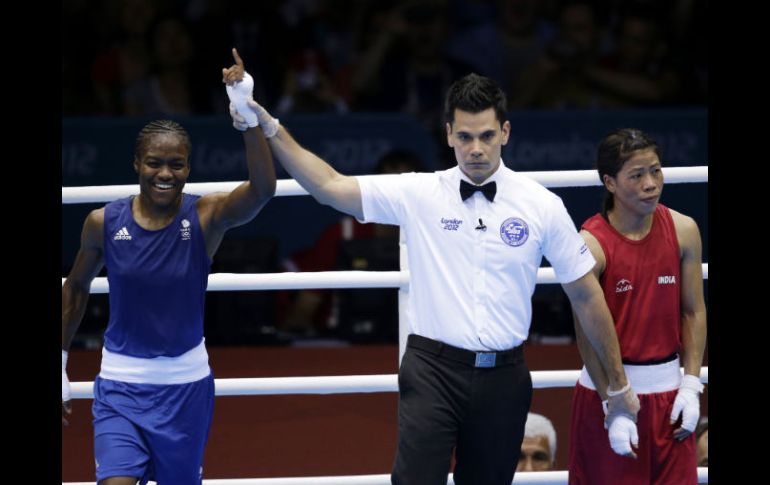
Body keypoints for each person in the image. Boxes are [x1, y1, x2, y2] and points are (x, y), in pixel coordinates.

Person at [229, 71, 638, 485]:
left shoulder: (542, 205)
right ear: (448, 135)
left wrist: (619, 389)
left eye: (486, 136)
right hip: (432, 370)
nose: (476, 149)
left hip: (505, 376)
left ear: (506, 132)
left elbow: (587, 296)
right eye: (464, 137)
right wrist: (270, 125)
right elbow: (328, 186)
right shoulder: (419, 192)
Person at [61, 48, 276, 485]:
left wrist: (246, 112)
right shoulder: (103, 222)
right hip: (120, 385)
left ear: (188, 168)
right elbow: (77, 287)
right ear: (137, 164)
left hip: (185, 388)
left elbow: (262, 190)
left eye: (176, 164)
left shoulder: (205, 217)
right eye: (154, 163)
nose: (165, 173)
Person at [568, 128, 707, 485]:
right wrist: (611, 400)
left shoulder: (683, 230)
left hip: (670, 394)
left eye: (656, 171)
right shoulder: (590, 245)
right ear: (610, 183)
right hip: (610, 391)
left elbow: (693, 311)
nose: (651, 184)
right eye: (637, 175)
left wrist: (691, 385)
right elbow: (586, 336)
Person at [279, 150, 424, 339]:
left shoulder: (433, 233)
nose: (396, 196)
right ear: (376, 189)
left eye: (404, 189)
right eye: (390, 186)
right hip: (341, 342)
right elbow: (308, 302)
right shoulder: (342, 234)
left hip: (414, 341)